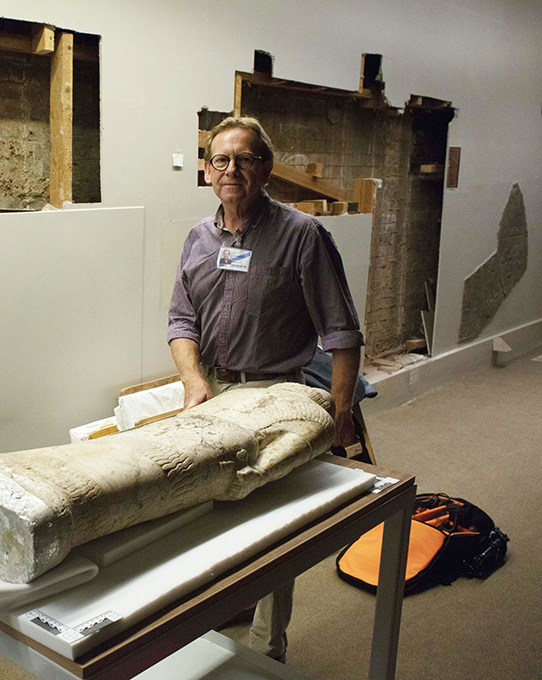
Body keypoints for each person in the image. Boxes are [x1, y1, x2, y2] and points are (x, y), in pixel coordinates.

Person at [167, 116, 362, 662]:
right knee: (213, 510)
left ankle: (265, 651)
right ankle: (225, 606)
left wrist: (341, 412)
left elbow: (342, 333)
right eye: (221, 160)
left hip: (279, 397)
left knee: (276, 529)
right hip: (213, 395)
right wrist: (193, 381)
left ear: (266, 169)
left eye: (245, 159)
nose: (232, 169)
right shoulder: (198, 238)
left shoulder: (302, 235)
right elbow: (182, 322)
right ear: (207, 172)